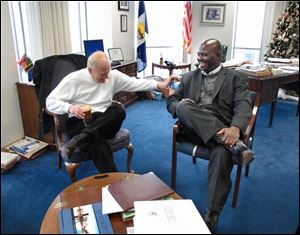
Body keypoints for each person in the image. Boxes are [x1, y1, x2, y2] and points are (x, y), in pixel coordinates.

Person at [166, 38, 255, 233]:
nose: (199, 58)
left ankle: (211, 214)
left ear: (218, 56)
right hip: (192, 130)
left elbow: (243, 105)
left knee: (222, 153)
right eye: (198, 54)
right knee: (183, 104)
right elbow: (172, 100)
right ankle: (234, 145)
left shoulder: (235, 77)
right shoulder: (189, 76)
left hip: (223, 130)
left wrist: (236, 128)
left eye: (204, 55)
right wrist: (180, 110)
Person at [46, 51, 174, 173]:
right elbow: (50, 101)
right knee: (97, 141)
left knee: (118, 110)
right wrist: (69, 108)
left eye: (108, 72)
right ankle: (112, 183)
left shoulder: (112, 75)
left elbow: (135, 83)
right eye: (102, 74)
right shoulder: (73, 79)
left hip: (105, 122)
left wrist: (159, 85)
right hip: (80, 122)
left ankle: (80, 140)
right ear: (90, 70)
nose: (107, 78)